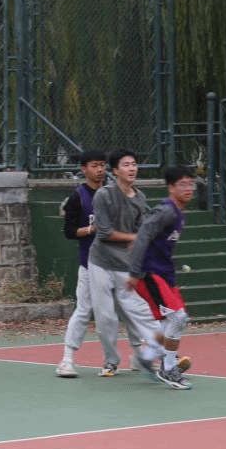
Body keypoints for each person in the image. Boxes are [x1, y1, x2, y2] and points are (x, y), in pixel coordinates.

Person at [54, 149, 144, 377]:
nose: (99, 170)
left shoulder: (116, 194)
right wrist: (92, 229)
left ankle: (138, 356)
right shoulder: (78, 197)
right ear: (84, 169)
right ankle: (67, 359)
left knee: (129, 310)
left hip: (120, 263)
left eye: (102, 165)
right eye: (94, 165)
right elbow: (69, 231)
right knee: (84, 310)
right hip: (91, 264)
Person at [87, 147, 162, 377]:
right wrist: (134, 238)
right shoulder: (104, 195)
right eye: (126, 165)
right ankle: (111, 362)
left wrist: (138, 245)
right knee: (106, 317)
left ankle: (162, 356)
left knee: (139, 310)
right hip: (100, 262)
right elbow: (104, 232)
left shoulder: (140, 198)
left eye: (134, 164)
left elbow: (139, 231)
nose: (132, 169)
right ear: (115, 171)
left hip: (125, 265)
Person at [125, 165, 197, 389]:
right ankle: (168, 368)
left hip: (164, 273)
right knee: (177, 318)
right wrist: (134, 272)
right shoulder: (166, 211)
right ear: (171, 188)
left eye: (191, 184)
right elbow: (142, 236)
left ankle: (148, 355)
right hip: (150, 273)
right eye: (183, 184)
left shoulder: (179, 214)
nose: (188, 188)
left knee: (171, 320)